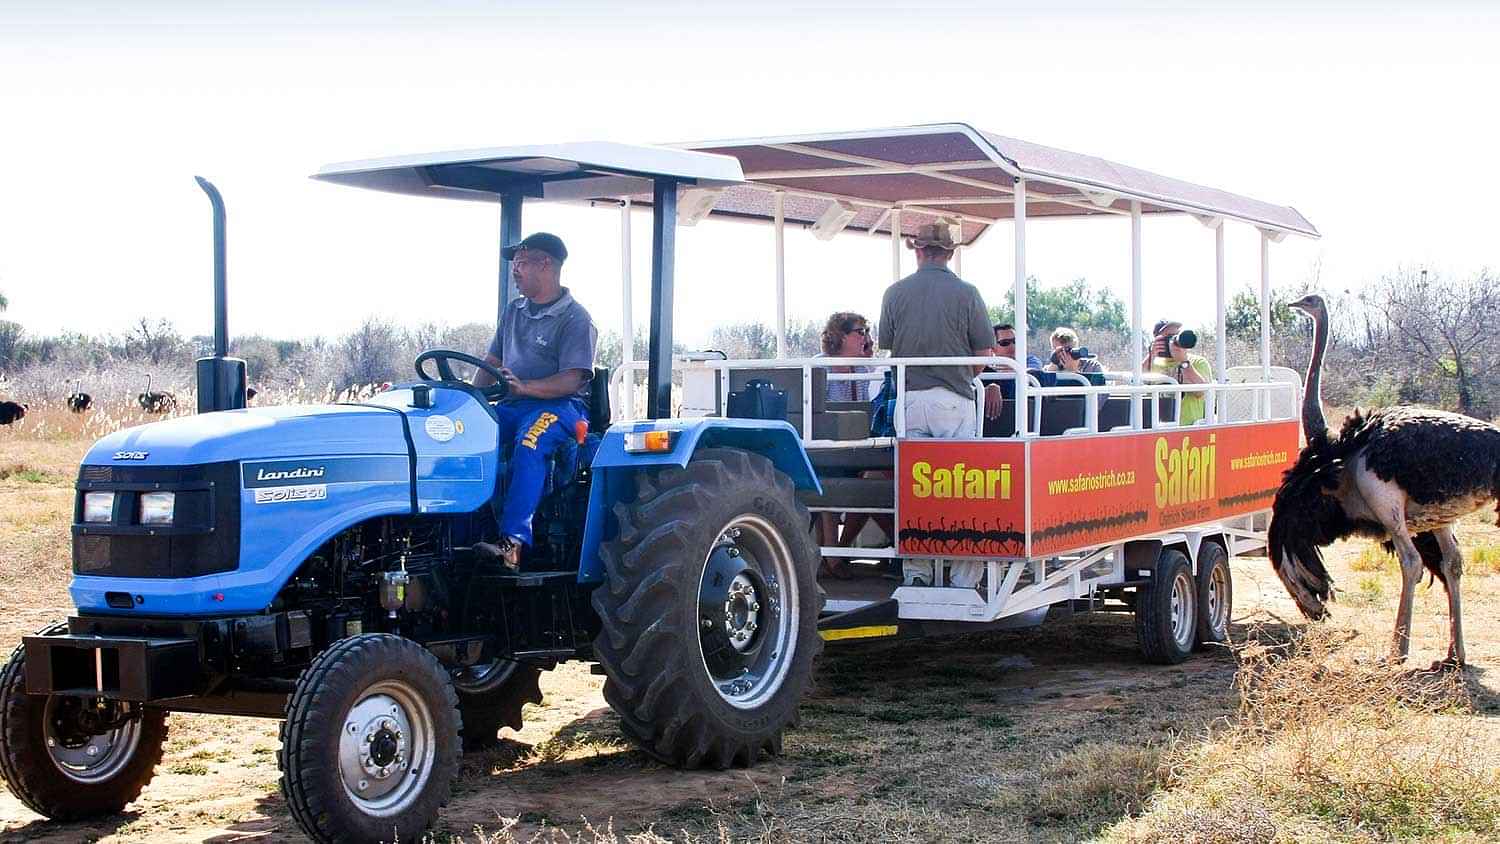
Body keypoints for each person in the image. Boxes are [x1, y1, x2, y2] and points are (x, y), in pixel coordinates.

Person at [472, 232, 599, 568]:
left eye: (522, 263)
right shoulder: (514, 311)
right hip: (514, 404)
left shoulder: (575, 318)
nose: (516, 271)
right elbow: (492, 362)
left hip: (563, 408)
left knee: (531, 441)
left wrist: (526, 388)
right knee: (469, 438)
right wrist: (469, 400)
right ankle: (460, 534)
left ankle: (512, 543)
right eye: (515, 265)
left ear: (546, 265)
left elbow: (573, 379)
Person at [878, 222, 992, 587]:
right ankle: (961, 575)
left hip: (908, 401)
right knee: (959, 489)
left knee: (915, 491)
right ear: (949, 252)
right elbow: (983, 355)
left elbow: (888, 345)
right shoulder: (968, 293)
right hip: (954, 400)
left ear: (918, 250)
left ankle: (917, 573)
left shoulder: (894, 293)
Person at [1146, 318, 1212, 425]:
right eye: (1169, 337)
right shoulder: (1152, 363)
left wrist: (1184, 362)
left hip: (1189, 432)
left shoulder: (1198, 362)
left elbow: (1202, 392)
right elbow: (1136, 383)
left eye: (1177, 335)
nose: (1174, 341)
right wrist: (1151, 355)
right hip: (1157, 430)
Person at [816, 311, 876, 402]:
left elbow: (865, 412)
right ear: (842, 335)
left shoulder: (861, 370)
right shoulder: (819, 367)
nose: (865, 340)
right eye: (861, 332)